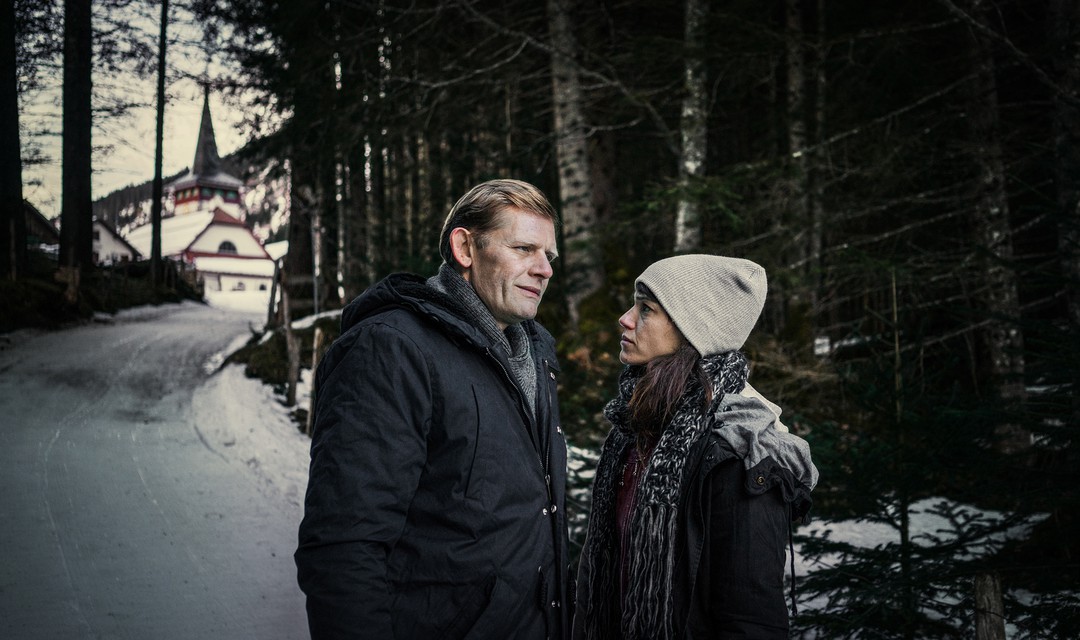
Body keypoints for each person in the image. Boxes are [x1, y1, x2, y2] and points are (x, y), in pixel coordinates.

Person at [296, 179, 571, 639]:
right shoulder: (391, 349)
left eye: (549, 256)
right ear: (465, 247)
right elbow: (346, 545)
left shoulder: (535, 353)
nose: (544, 269)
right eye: (524, 248)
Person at [572, 254, 819, 640]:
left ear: (693, 331)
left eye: (646, 308)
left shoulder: (737, 456)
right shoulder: (633, 429)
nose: (625, 318)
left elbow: (750, 622)